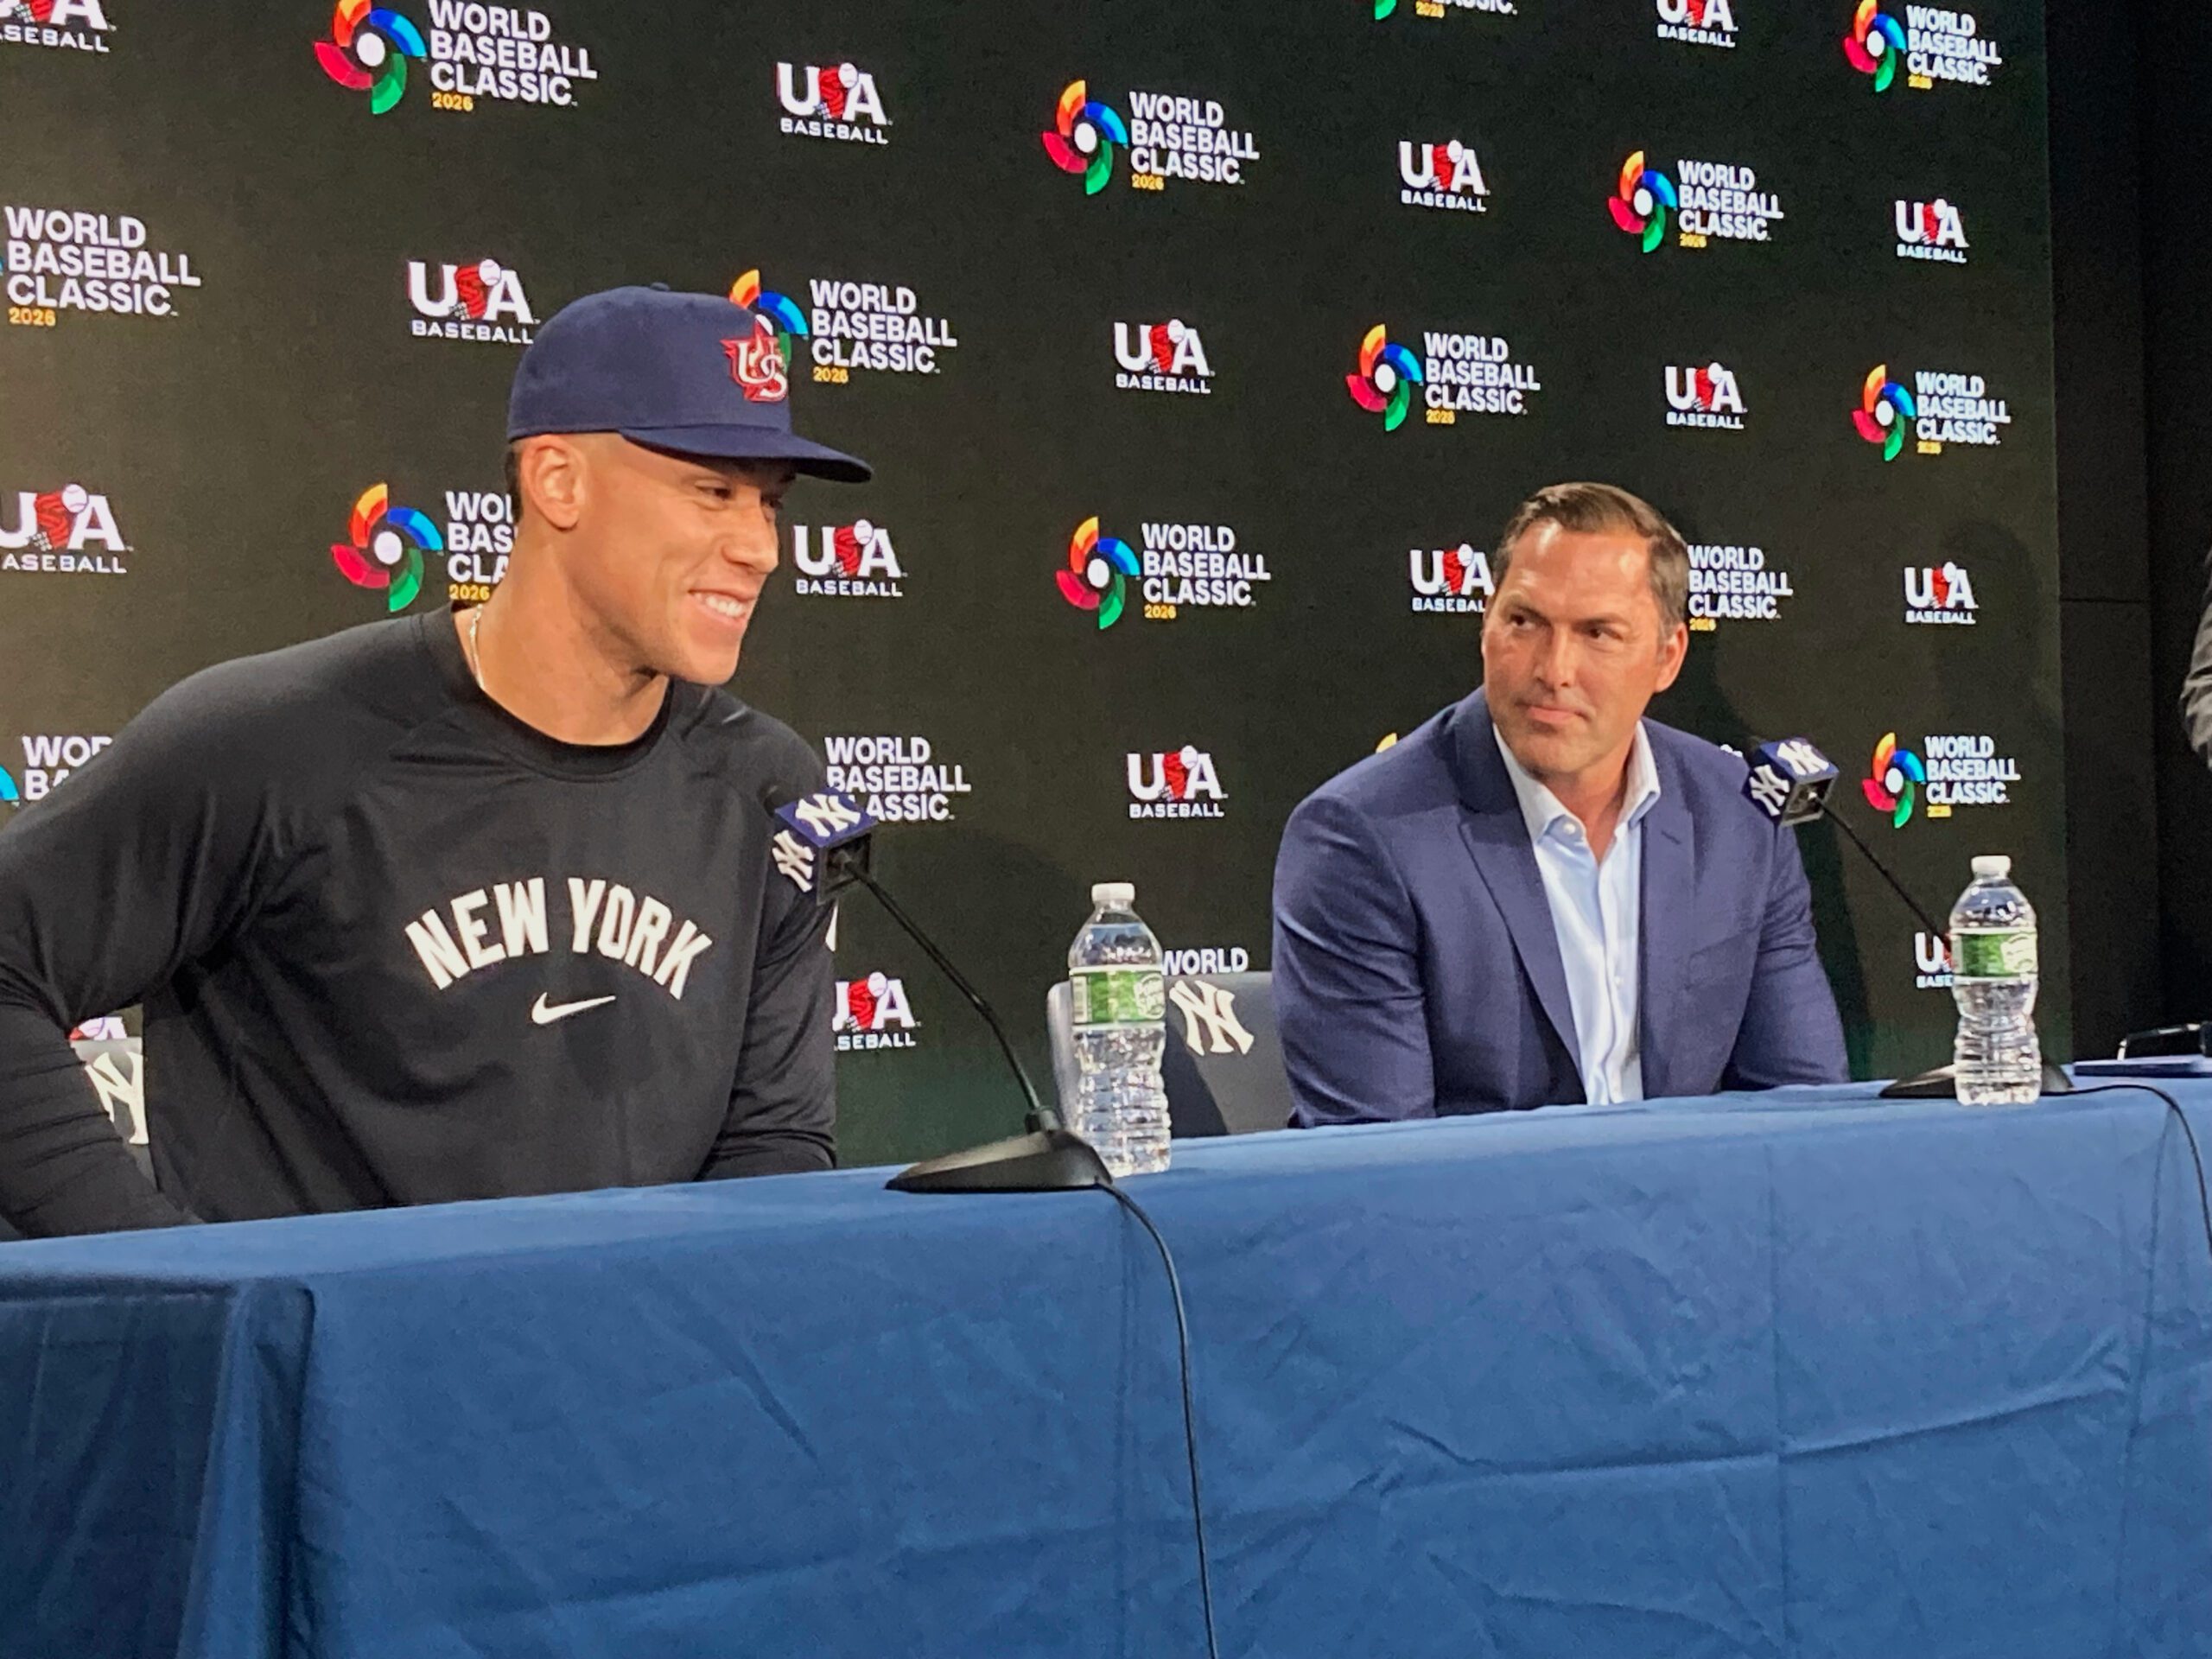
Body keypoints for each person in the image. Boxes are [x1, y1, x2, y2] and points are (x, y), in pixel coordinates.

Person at [0, 284, 870, 1237]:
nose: (758, 548)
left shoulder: (771, 789)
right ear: (557, 481)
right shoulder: (279, 741)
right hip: (324, 1375)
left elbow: (773, 1146)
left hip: (628, 1368)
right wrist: (160, 1279)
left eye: (768, 505)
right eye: (714, 492)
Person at [1272, 481, 1847, 1125]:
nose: (1553, 669)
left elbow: (1802, 1112)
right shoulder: (1364, 838)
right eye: (1524, 622)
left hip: (1691, 1218)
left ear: (1667, 658)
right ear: (1486, 624)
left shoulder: (1738, 818)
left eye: (1598, 633)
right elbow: (1381, 1165)